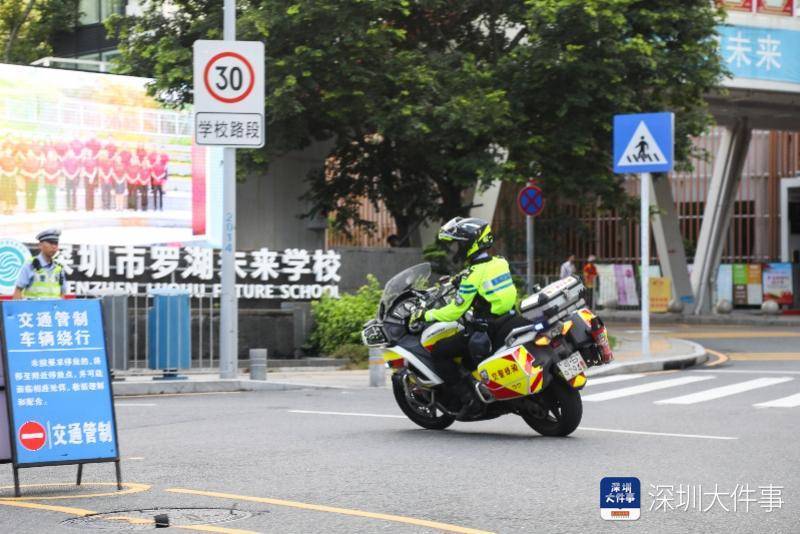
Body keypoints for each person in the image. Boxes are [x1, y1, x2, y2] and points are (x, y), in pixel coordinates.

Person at [408, 217, 525, 415]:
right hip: (509, 318)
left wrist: (425, 315)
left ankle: (468, 399)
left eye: (458, 244)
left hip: (486, 329)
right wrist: (459, 279)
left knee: (439, 351)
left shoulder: (473, 276)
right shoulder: (500, 262)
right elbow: (481, 275)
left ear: (469, 245)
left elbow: (455, 311)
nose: (456, 249)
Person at [13, 229, 66, 299]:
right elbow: (18, 291)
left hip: (53, 310)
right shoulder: (30, 265)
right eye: (50, 243)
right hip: (32, 309)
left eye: (56, 243)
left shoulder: (59, 268)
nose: (54, 246)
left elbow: (62, 293)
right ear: (40, 245)